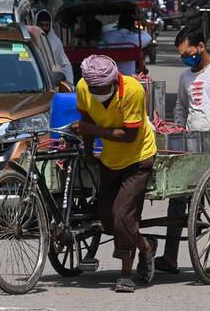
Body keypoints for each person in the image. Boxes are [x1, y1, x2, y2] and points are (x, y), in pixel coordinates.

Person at [155, 28, 210, 274]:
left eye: (189, 53)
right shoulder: (185, 77)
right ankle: (170, 257)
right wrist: (178, 130)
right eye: (182, 55)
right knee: (177, 201)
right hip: (189, 144)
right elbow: (182, 107)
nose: (186, 58)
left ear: (201, 47)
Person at [71, 55, 158, 293]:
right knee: (108, 221)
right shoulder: (82, 88)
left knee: (123, 215)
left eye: (101, 87)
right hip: (109, 159)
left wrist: (90, 129)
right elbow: (86, 117)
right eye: (93, 88)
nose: (96, 91)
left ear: (113, 82)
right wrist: (88, 151)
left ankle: (126, 274)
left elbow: (129, 136)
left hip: (138, 157)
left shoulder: (133, 91)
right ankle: (146, 246)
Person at [35, 10, 74, 84]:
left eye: (47, 25)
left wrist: (70, 84)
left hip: (50, 81)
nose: (44, 28)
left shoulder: (56, 42)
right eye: (41, 25)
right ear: (36, 24)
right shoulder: (31, 41)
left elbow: (65, 64)